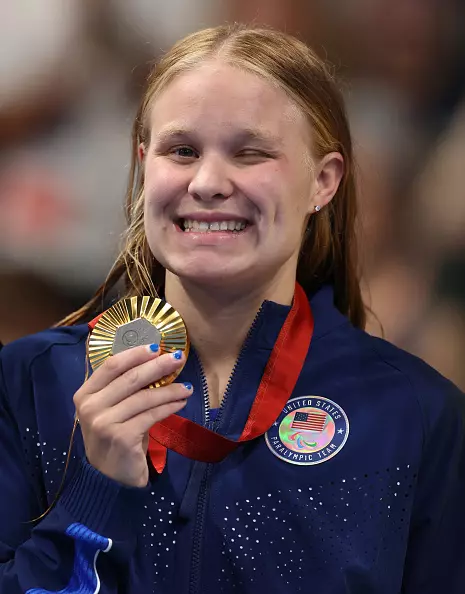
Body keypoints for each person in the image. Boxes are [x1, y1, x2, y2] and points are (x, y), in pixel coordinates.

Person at [0, 24, 464, 594]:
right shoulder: (29, 384)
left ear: (323, 181)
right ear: (145, 166)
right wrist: (94, 491)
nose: (209, 182)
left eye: (250, 153)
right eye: (182, 150)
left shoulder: (412, 415)